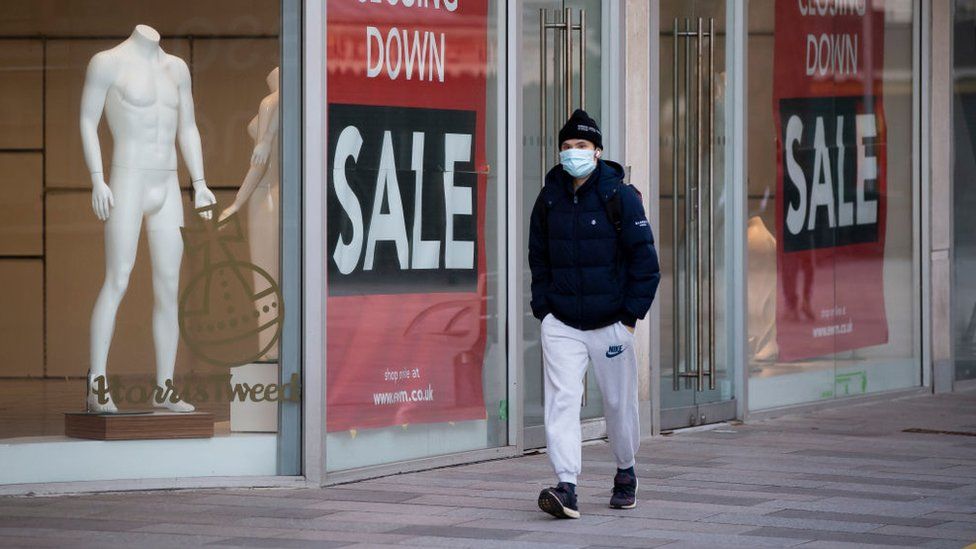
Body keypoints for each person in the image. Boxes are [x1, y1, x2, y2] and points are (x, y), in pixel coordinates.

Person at [529, 109, 660, 518]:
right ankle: (566, 485)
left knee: (619, 405)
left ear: (598, 151)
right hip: (563, 322)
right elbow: (538, 258)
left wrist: (629, 319)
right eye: (566, 147)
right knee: (562, 402)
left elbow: (646, 263)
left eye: (581, 146)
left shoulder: (618, 195)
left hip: (611, 323)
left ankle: (625, 470)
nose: (573, 153)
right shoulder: (549, 197)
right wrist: (545, 311)